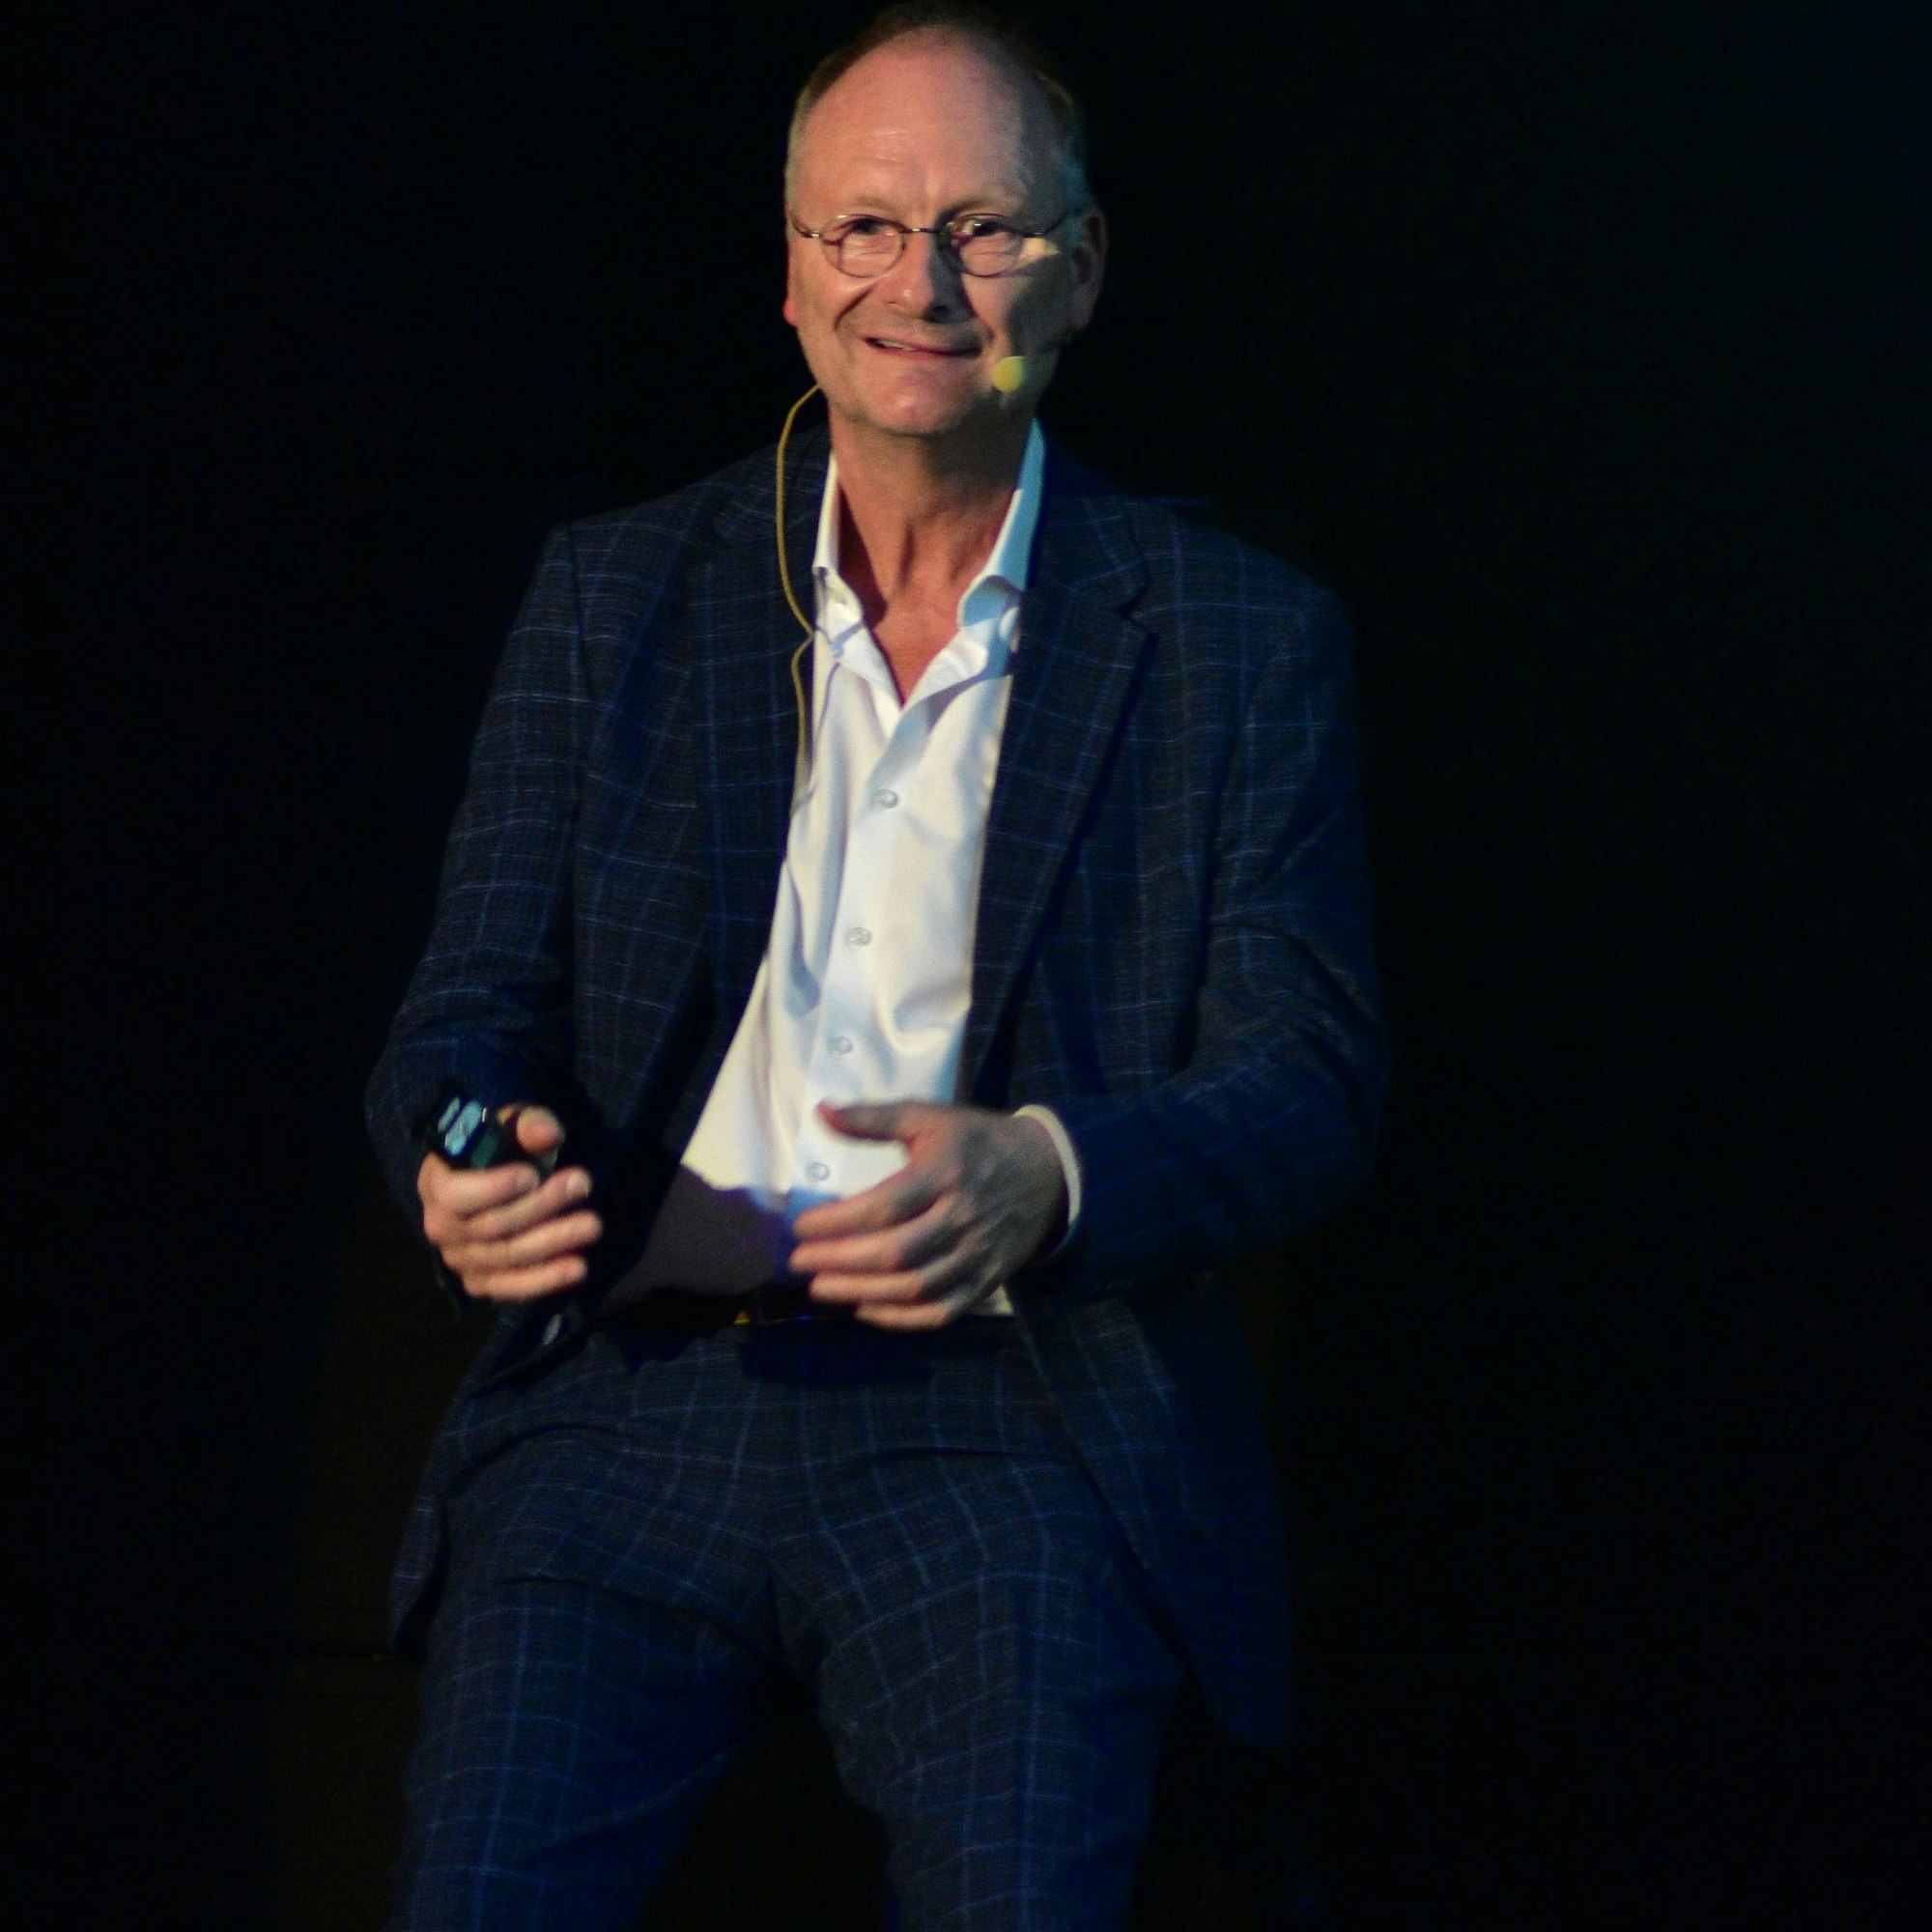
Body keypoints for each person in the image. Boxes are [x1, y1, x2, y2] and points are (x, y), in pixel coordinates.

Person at [365, 6, 1385, 1926]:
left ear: (1079, 273)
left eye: (983, 229)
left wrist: (1049, 1175)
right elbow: (461, 1018)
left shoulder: (1237, 636)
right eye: (864, 229)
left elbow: (1310, 1075)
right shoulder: (614, 593)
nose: (920, 286)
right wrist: (468, 1150)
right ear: (792, 272)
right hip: (639, 1392)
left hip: (1010, 1421)